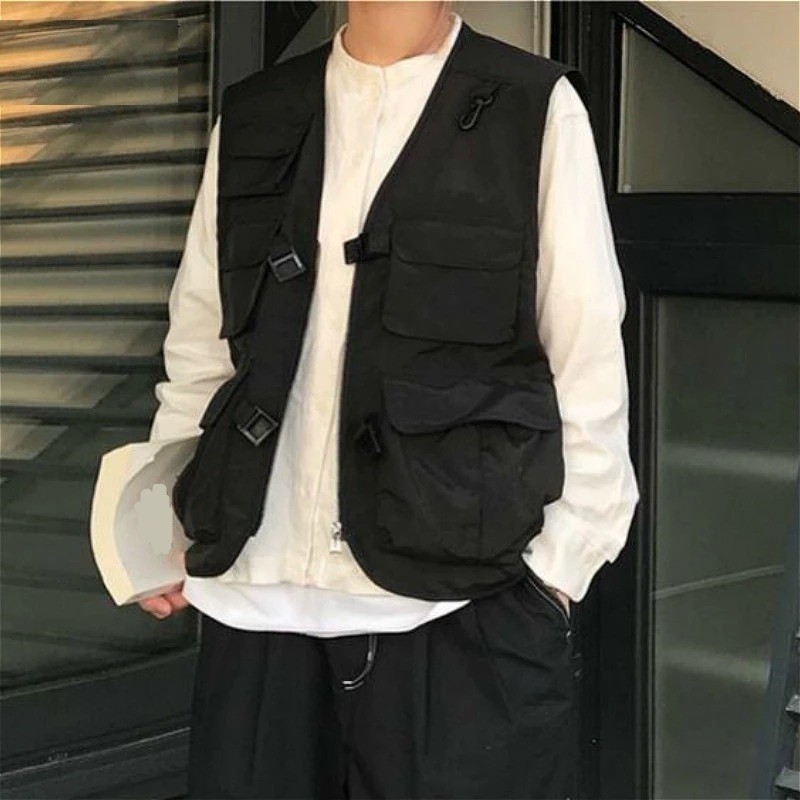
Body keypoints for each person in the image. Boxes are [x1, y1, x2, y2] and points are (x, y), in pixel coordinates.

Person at [137, 2, 640, 797]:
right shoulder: (259, 113)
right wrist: (158, 523)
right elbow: (203, 345)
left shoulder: (533, 105)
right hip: (254, 603)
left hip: (457, 605)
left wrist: (557, 572)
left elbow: (586, 353)